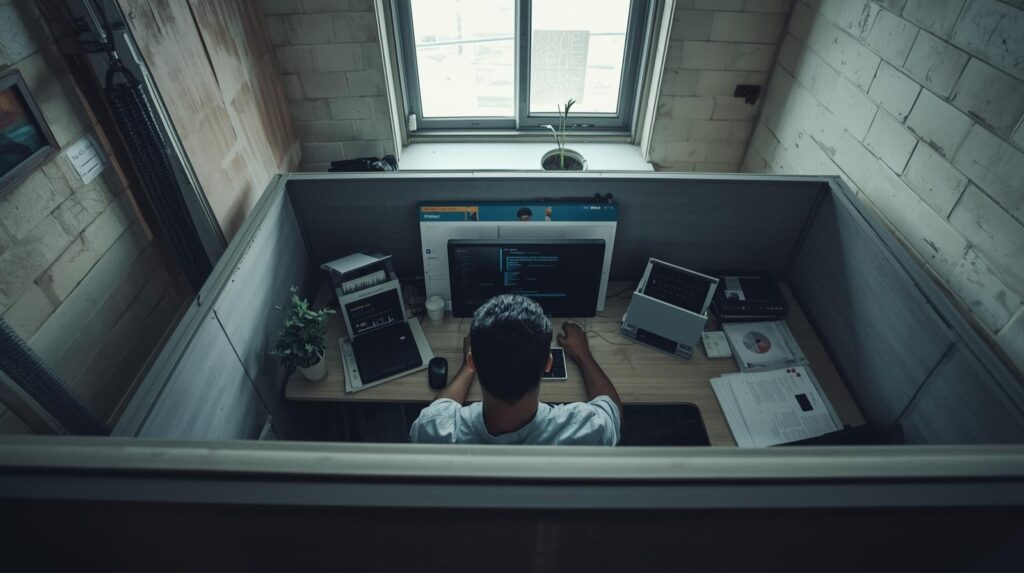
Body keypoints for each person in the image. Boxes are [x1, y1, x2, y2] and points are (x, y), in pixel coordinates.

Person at [410, 294, 623, 445]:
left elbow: (440, 408)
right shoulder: (587, 430)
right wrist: (583, 355)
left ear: (473, 361)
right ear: (548, 364)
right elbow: (612, 412)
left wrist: (468, 367)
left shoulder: (433, 430)